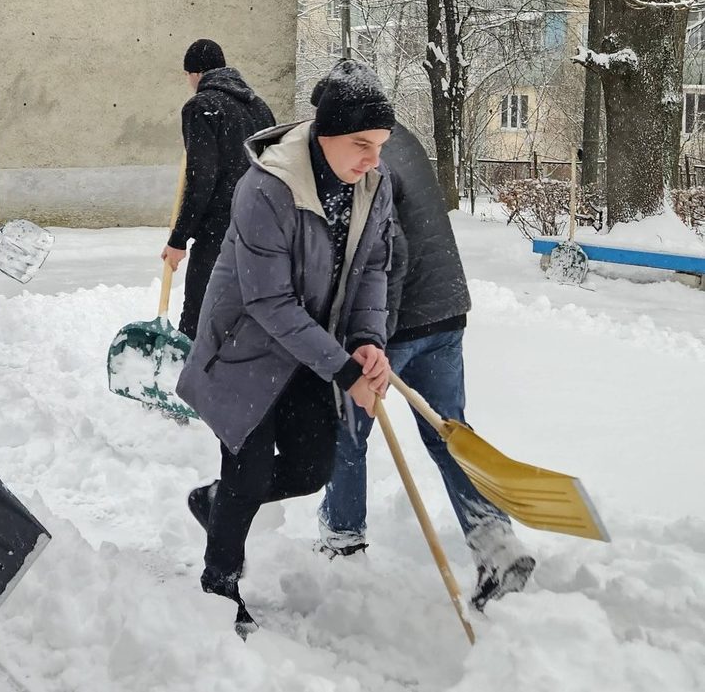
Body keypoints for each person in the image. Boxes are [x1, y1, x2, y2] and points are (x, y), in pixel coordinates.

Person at [175, 59, 397, 635]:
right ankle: (219, 585)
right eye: (362, 144)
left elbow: (373, 267)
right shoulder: (267, 187)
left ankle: (216, 502)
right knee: (247, 473)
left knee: (310, 468)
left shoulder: (373, 186)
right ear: (326, 135)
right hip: (245, 349)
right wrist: (345, 371)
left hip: (310, 349)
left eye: (380, 146)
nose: (373, 160)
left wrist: (367, 341)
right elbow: (269, 302)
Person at [317, 118, 536, 610]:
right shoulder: (400, 139)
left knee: (346, 431)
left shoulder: (365, 159)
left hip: (401, 321)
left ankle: (342, 541)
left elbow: (392, 251)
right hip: (446, 309)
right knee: (447, 433)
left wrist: (375, 336)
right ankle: (495, 543)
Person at [161, 39, 276, 340]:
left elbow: (201, 179)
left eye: (187, 75)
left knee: (198, 313)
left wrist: (178, 239)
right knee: (245, 313)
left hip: (219, 229)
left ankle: (189, 362)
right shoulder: (259, 107)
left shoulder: (202, 106)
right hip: (261, 226)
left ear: (196, 73)